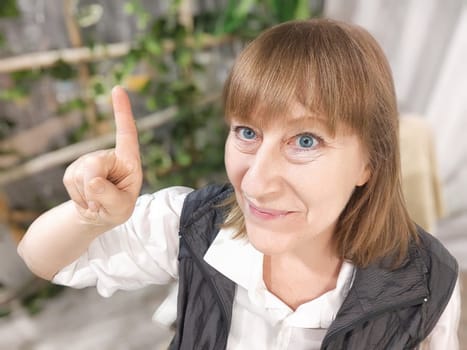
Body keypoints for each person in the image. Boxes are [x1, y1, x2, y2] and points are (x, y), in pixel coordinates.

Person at [17, 18, 460, 349]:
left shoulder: (427, 286)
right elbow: (43, 260)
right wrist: (87, 216)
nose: (257, 182)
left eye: (305, 141)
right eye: (247, 132)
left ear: (370, 162)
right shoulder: (196, 225)